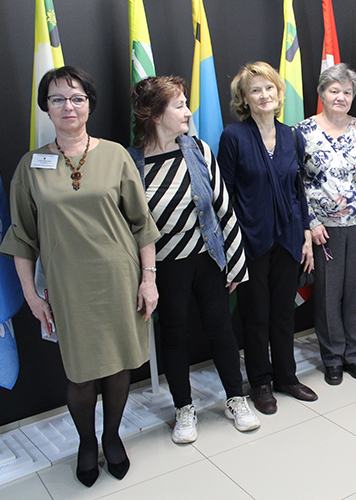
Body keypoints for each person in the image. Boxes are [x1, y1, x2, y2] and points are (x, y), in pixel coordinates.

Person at [0, 66, 160, 487]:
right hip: (67, 287)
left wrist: (148, 279)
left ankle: (112, 437)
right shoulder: (31, 166)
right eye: (57, 99)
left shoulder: (115, 155)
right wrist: (32, 297)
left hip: (119, 279)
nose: (68, 106)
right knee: (81, 372)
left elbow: (141, 224)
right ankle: (87, 441)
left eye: (76, 98)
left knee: (119, 365)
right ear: (46, 108)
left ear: (89, 104)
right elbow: (22, 238)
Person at [129, 76, 260, 445]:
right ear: (156, 115)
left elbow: (223, 208)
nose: (188, 112)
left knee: (221, 330)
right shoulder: (131, 162)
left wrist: (235, 264)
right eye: (179, 106)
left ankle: (235, 398)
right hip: (164, 267)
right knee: (173, 336)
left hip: (207, 259)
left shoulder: (198, 150)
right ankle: (183, 408)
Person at [217, 62, 318, 415]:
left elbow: (298, 189)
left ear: (279, 92)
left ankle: (286, 377)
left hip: (288, 239)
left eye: (269, 88)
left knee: (284, 314)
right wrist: (232, 245)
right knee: (256, 315)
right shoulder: (234, 136)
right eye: (255, 90)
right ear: (244, 98)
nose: (264, 95)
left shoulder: (292, 136)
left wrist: (305, 234)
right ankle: (260, 381)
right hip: (251, 241)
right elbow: (225, 194)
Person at [296, 63, 356, 385]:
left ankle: (353, 355)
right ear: (322, 93)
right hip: (324, 230)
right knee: (327, 296)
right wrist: (310, 222)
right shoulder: (302, 132)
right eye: (334, 90)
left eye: (347, 92)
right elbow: (295, 182)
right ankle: (333, 357)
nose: (341, 97)